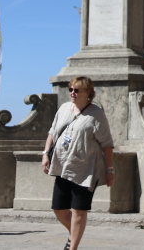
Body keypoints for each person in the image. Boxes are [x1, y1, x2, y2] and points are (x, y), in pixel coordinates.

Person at [42, 77, 114, 250]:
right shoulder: (64, 108)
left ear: (88, 93)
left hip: (86, 170)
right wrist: (45, 153)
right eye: (71, 89)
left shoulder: (96, 114)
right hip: (62, 167)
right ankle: (74, 234)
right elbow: (52, 132)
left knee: (79, 211)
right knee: (59, 209)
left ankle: (72, 247)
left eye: (77, 90)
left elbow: (107, 144)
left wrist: (110, 170)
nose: (72, 93)